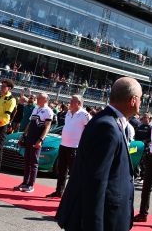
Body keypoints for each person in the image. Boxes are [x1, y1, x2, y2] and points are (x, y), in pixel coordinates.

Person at [56, 77, 142, 231]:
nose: (141, 103)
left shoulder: (111, 122)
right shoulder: (107, 126)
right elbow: (95, 181)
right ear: (133, 100)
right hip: (102, 220)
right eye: (140, 99)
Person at [48, 95, 91, 198]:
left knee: (74, 173)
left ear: (79, 103)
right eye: (70, 100)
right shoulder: (68, 113)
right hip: (64, 145)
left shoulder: (85, 115)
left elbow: (89, 131)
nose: (70, 103)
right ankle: (59, 191)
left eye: (72, 101)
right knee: (61, 170)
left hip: (75, 147)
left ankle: (73, 194)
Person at [16, 92, 53, 192]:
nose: (37, 99)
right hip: (29, 138)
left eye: (39, 98)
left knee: (34, 163)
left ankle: (31, 185)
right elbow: (30, 123)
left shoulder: (48, 111)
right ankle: (25, 182)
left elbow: (47, 127)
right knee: (27, 161)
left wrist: (40, 140)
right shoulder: (35, 108)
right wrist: (23, 135)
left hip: (37, 138)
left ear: (45, 100)